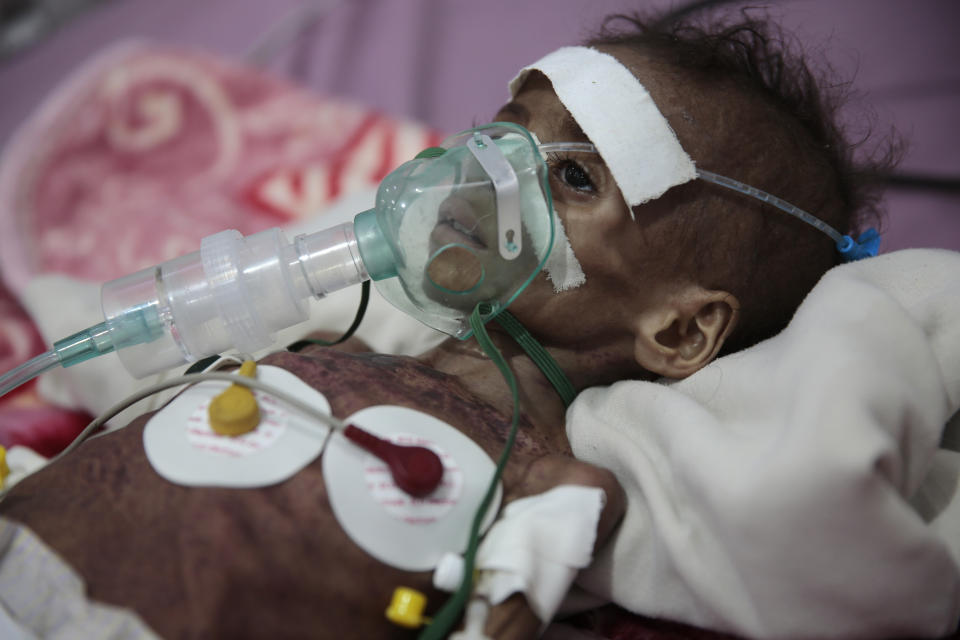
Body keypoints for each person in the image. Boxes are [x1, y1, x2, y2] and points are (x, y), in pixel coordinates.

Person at [0, 9, 920, 640]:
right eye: (504, 127)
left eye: (574, 176)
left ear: (678, 334)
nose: (486, 169)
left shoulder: (549, 479)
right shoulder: (332, 346)